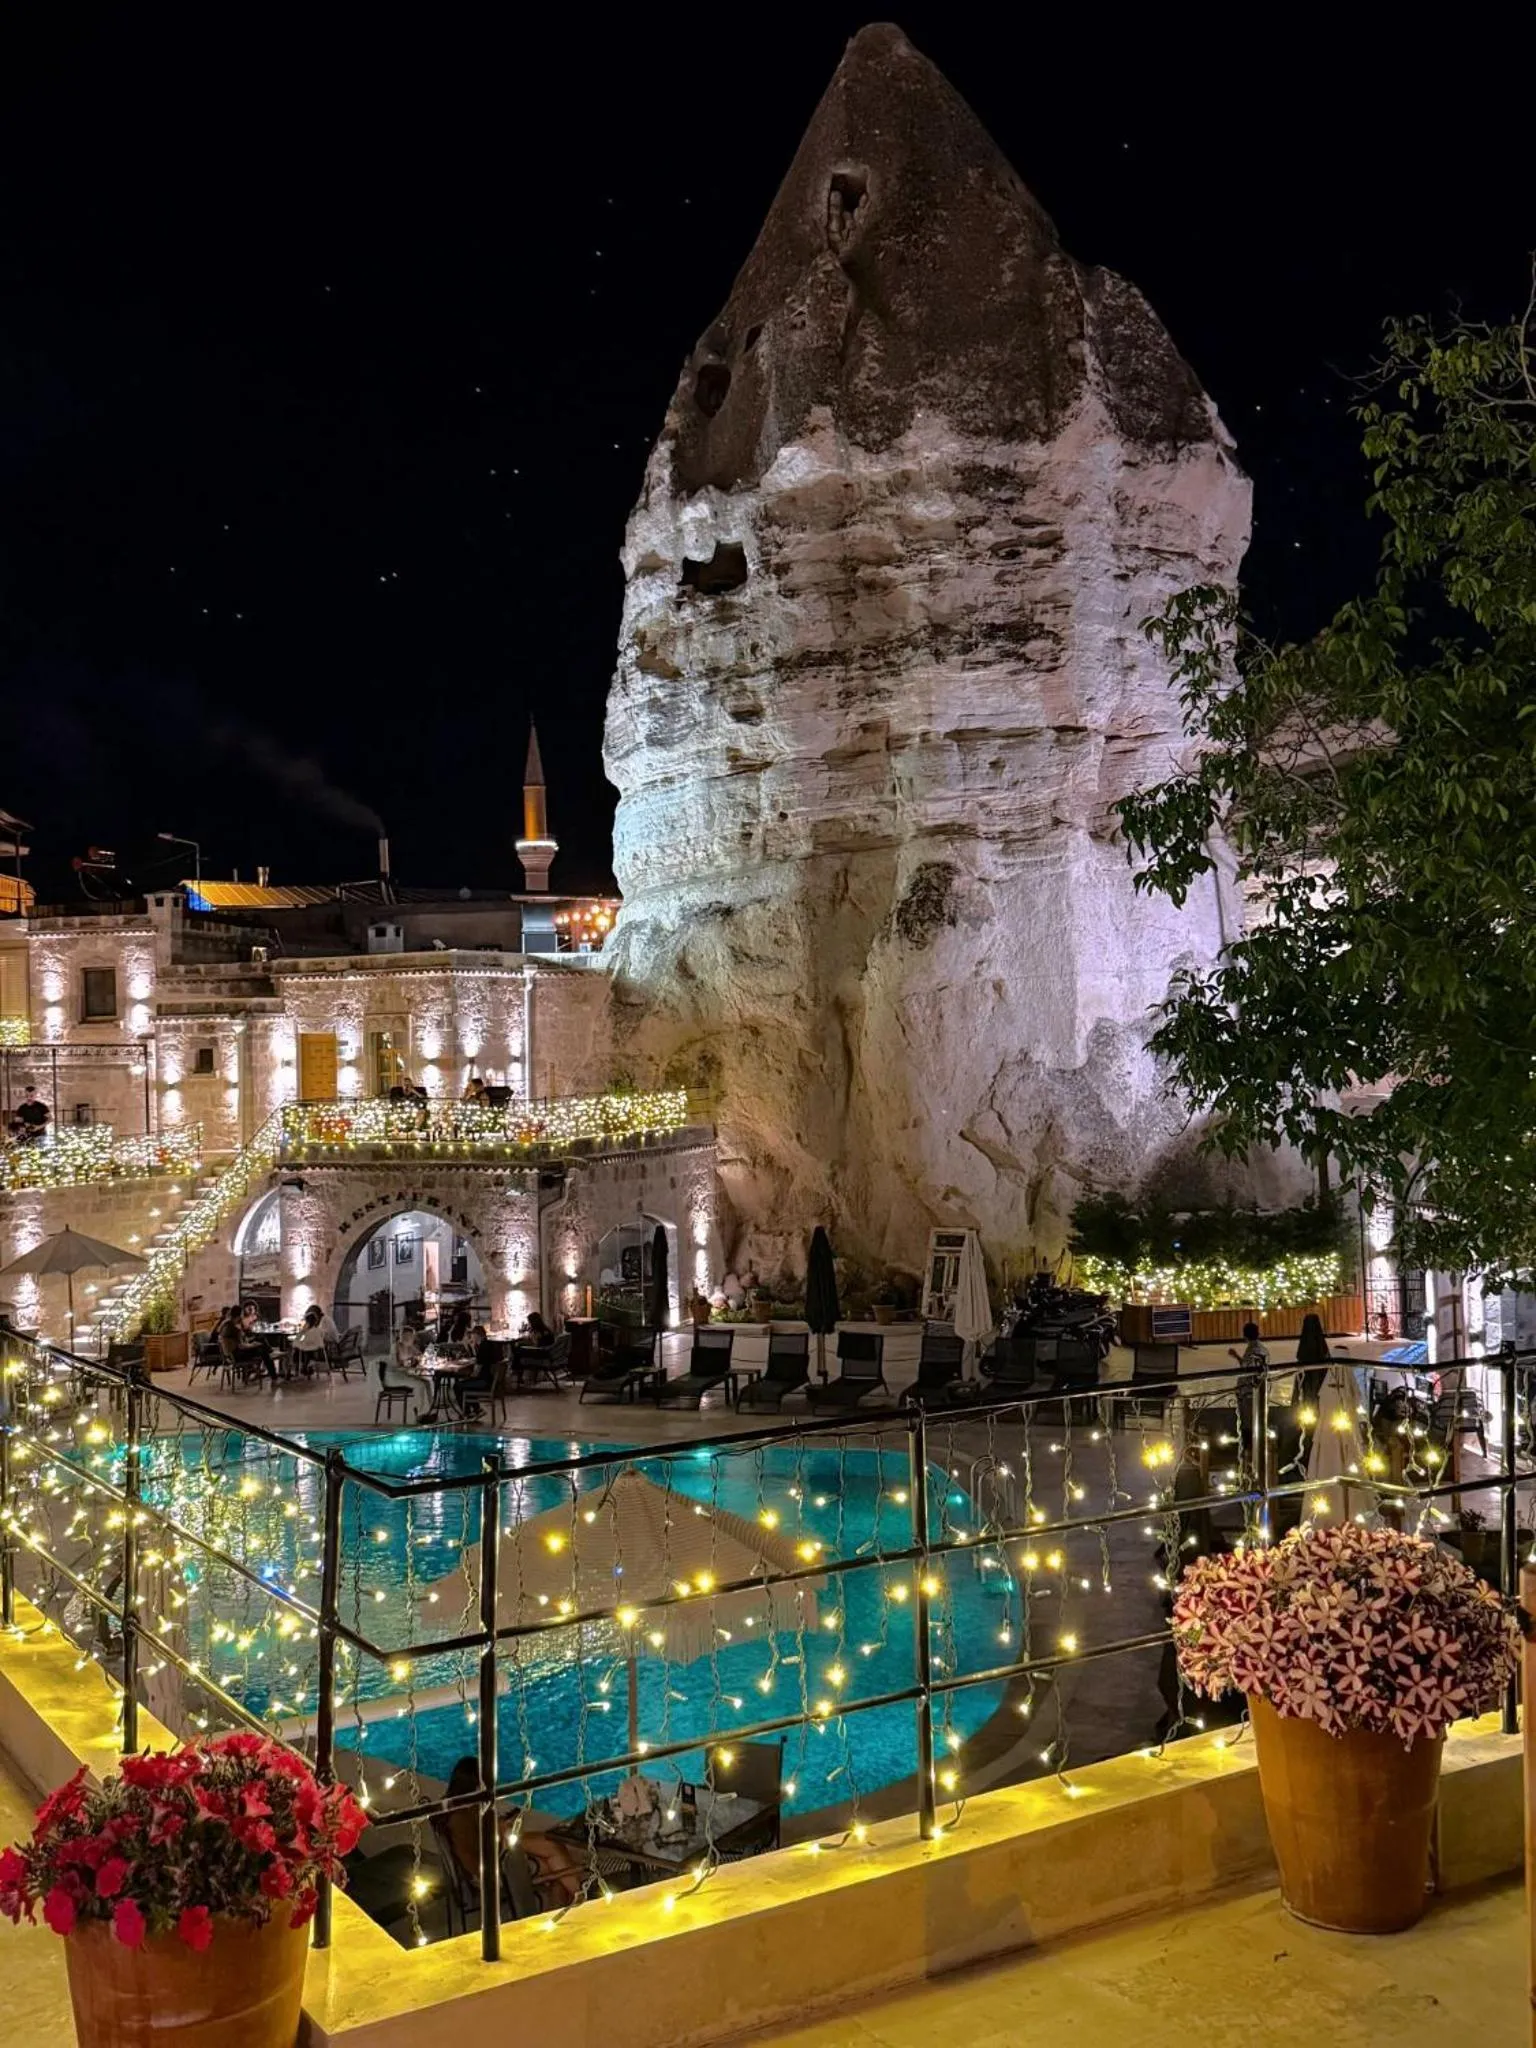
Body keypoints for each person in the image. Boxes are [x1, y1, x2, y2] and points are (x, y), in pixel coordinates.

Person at [441, 1757, 582, 1910]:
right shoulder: (460, 1818)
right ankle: (583, 1898)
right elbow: (471, 1857)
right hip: (496, 1868)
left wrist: (498, 1827)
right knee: (557, 1859)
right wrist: (501, 1835)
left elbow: (482, 1834)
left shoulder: (462, 1805)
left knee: (555, 1856)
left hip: (499, 1854)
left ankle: (571, 1905)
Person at [219, 1302, 277, 1384]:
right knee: (262, 1350)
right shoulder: (233, 1328)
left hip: (233, 1353)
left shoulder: (228, 1324)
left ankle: (265, 1370)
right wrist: (252, 1345)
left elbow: (241, 1341)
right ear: (238, 1315)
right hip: (236, 1355)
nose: (242, 1316)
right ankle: (273, 1376)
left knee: (261, 1343)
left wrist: (251, 1343)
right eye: (241, 1314)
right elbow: (241, 1345)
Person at [291, 1302, 340, 1373]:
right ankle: (305, 1366)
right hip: (328, 1345)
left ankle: (303, 1367)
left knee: (303, 1347)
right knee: (305, 1346)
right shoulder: (324, 1319)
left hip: (330, 1347)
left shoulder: (324, 1321)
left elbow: (320, 1335)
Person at [1294, 1311, 1330, 1408]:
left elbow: (1300, 1358)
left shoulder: (1304, 1343)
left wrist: (1295, 1397)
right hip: (1319, 1377)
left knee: (1309, 1398)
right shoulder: (1321, 1344)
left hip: (1307, 1378)